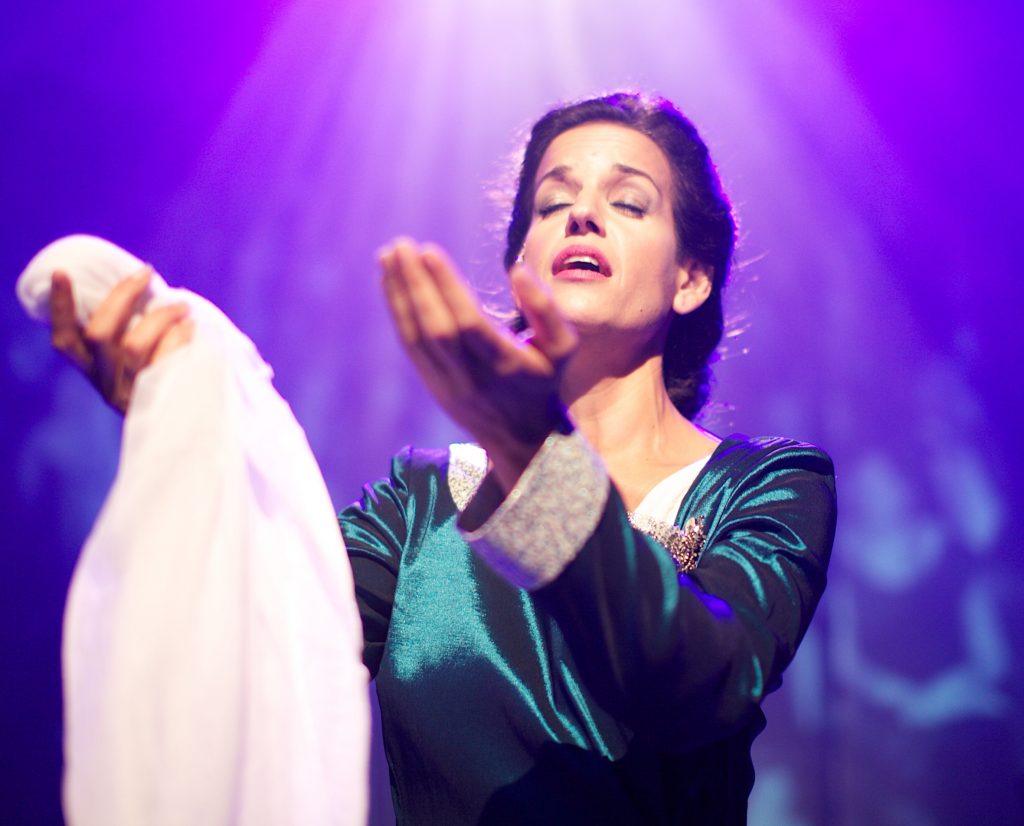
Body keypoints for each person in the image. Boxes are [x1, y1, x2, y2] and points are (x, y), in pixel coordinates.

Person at [50, 92, 836, 825]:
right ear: (520, 267)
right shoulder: (423, 498)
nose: (582, 216)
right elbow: (269, 639)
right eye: (551, 204)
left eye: (628, 202)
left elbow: (703, 685)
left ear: (691, 278)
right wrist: (184, 415)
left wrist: (536, 458)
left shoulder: (767, 486)